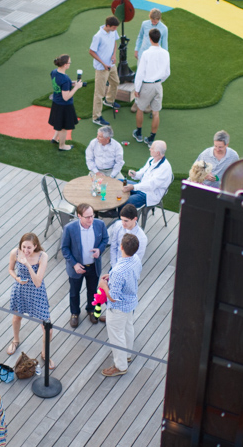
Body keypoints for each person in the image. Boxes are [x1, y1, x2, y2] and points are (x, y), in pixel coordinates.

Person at [7, 233, 53, 368]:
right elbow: (10, 269)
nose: (26, 251)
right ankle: (15, 340)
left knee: (48, 328)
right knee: (17, 318)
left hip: (36, 292)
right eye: (24, 247)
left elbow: (38, 282)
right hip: (20, 289)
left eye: (29, 248)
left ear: (36, 246)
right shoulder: (15, 253)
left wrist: (27, 265)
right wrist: (16, 278)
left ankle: (45, 352)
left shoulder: (42, 256)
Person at [99, 234, 142, 377]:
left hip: (117, 308)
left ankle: (120, 366)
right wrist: (111, 277)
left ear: (121, 247)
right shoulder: (136, 260)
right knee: (128, 328)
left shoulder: (118, 271)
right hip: (131, 303)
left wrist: (103, 285)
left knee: (117, 336)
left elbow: (113, 297)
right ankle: (128, 354)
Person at [61, 203, 108, 328]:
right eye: (87, 217)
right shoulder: (70, 228)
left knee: (93, 290)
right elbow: (64, 248)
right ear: (79, 216)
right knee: (74, 292)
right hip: (77, 267)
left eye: (92, 216)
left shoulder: (100, 224)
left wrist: (99, 250)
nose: (91, 219)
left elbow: (105, 239)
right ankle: (74, 313)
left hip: (93, 266)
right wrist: (74, 264)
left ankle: (91, 310)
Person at [132, 28, 170, 147]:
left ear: (149, 39)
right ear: (160, 38)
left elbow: (140, 73)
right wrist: (158, 81)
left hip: (147, 85)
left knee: (140, 109)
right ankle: (151, 139)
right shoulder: (165, 53)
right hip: (158, 85)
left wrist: (137, 89)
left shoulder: (146, 53)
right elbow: (167, 72)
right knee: (156, 112)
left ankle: (138, 134)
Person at [122, 140, 173, 209]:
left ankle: (119, 216)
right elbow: (142, 172)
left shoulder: (165, 168)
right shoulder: (151, 159)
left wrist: (134, 187)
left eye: (152, 148)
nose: (150, 149)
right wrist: (135, 174)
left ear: (157, 153)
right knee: (120, 182)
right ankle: (114, 211)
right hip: (141, 187)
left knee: (125, 201)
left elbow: (151, 185)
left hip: (149, 195)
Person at [48, 54, 83, 151]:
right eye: (69, 62)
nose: (70, 64)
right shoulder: (65, 79)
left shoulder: (54, 72)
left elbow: (60, 84)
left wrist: (71, 83)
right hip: (64, 106)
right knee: (63, 127)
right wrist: (76, 87)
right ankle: (62, 146)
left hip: (56, 102)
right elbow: (66, 97)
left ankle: (55, 139)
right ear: (65, 65)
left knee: (59, 123)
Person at [90, 16, 120, 127]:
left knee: (116, 82)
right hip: (101, 68)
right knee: (99, 93)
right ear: (108, 25)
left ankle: (109, 100)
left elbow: (114, 43)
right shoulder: (98, 36)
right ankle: (96, 117)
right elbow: (91, 51)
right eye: (114, 27)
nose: (115, 29)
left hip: (111, 65)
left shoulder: (113, 32)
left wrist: (114, 55)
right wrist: (103, 64)